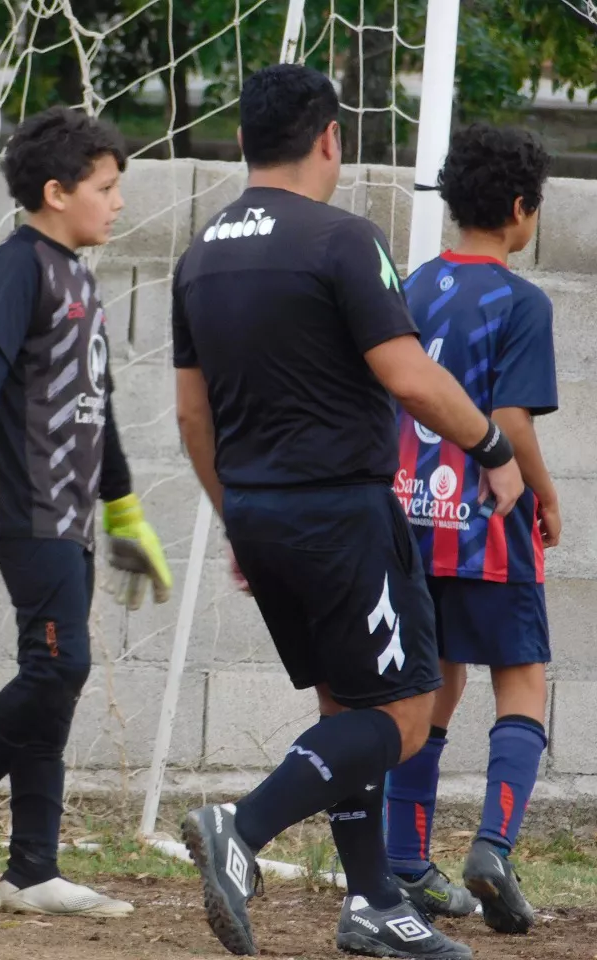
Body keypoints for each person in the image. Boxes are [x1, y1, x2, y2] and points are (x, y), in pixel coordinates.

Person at [172, 63, 525, 959]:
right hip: (340, 514)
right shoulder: (342, 238)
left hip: (256, 512)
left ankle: (371, 903)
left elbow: (191, 415)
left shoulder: (199, 252)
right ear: (331, 137)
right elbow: (409, 377)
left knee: (348, 712)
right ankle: (243, 827)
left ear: (244, 140)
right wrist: (493, 449)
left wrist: (234, 515)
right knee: (403, 718)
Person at [0, 106, 173, 917]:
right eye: (106, 187)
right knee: (58, 666)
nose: (118, 202)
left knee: (57, 680)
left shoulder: (81, 275)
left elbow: (99, 400)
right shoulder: (17, 265)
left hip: (74, 514)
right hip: (24, 503)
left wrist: (123, 508)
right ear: (57, 193)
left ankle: (33, 867)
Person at [384, 123, 557, 935]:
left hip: (413, 521)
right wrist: (545, 495)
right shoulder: (521, 302)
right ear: (521, 208)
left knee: (434, 684)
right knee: (521, 679)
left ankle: (405, 859)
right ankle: (493, 847)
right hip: (488, 522)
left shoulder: (412, 286)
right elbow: (510, 420)